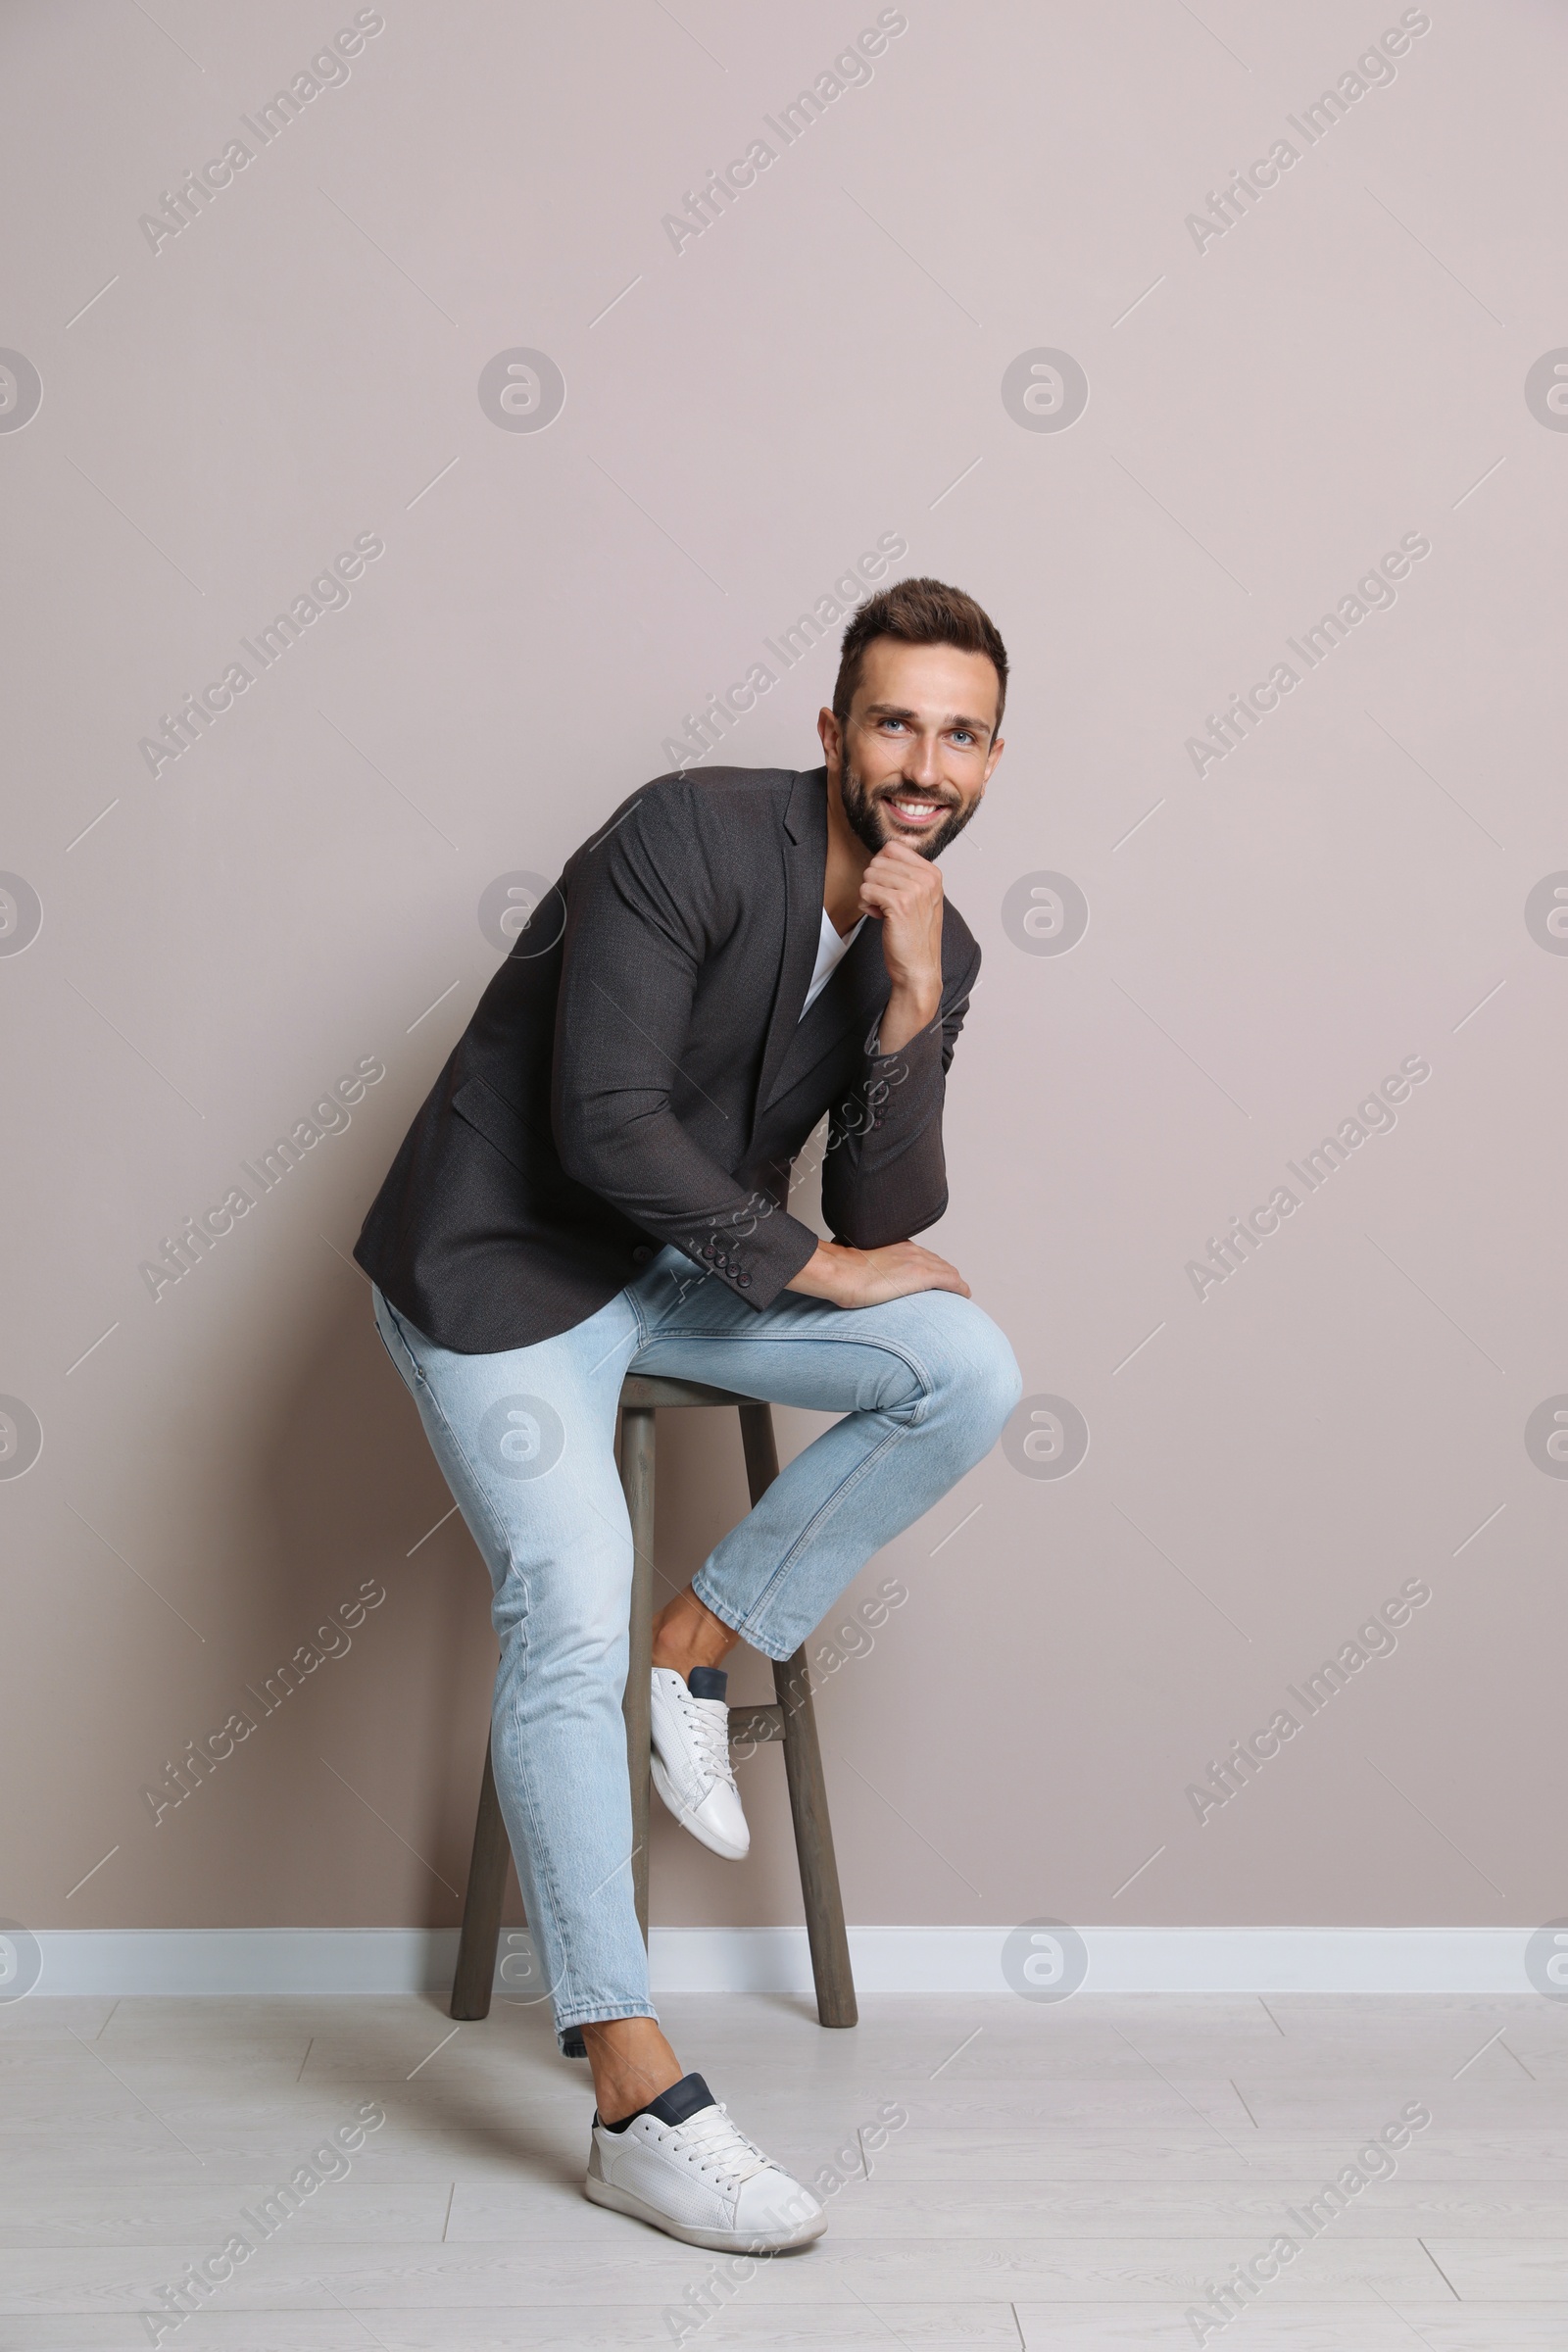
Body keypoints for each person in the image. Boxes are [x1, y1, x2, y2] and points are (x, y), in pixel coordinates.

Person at [355, 575, 1022, 2252]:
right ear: (832, 732)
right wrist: (820, 1267)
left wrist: (914, 1004)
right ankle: (635, 2097)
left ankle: (699, 1646)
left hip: (676, 1271)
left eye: (958, 734)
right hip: (502, 1268)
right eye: (893, 722)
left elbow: (883, 1208)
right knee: (561, 1603)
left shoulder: (927, 926)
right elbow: (599, 1126)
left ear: (994, 761)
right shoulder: (685, 836)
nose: (921, 762)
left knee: (969, 1369)